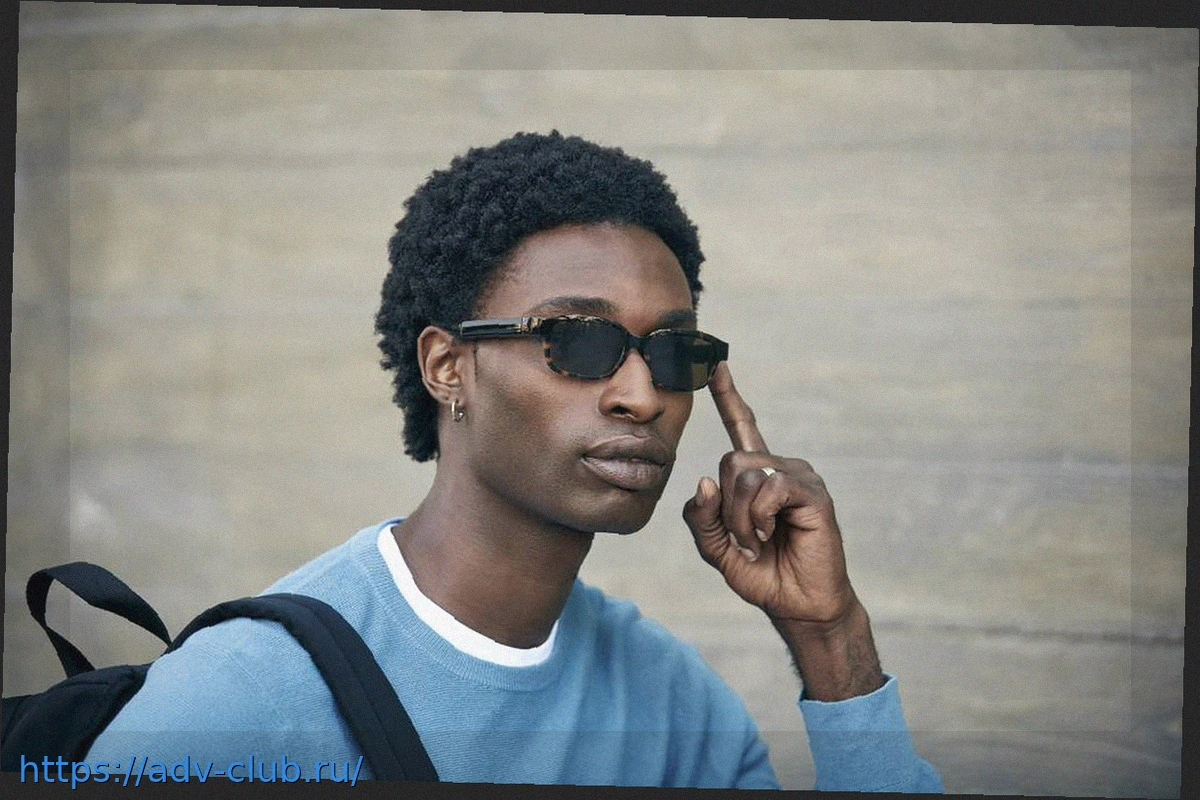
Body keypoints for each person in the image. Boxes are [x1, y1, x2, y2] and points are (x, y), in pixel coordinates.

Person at [87, 131, 943, 791]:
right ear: (446, 367)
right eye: (579, 340)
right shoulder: (245, 696)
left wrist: (831, 638)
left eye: (672, 352)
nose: (642, 396)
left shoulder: (675, 709)